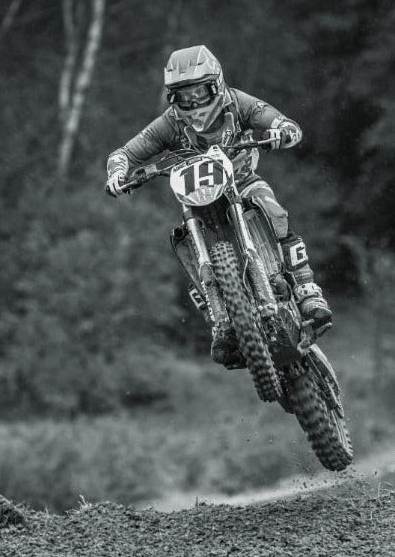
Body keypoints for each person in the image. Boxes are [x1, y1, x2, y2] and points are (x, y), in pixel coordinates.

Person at [105, 45, 332, 364]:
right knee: (183, 243)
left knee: (274, 211)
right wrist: (117, 172)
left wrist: (283, 130)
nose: (194, 103)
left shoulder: (238, 103)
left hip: (242, 181)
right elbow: (125, 152)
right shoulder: (169, 123)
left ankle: (308, 289)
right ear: (173, 98)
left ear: (217, 84)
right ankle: (221, 324)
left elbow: (275, 119)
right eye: (185, 96)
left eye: (200, 92)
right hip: (197, 201)